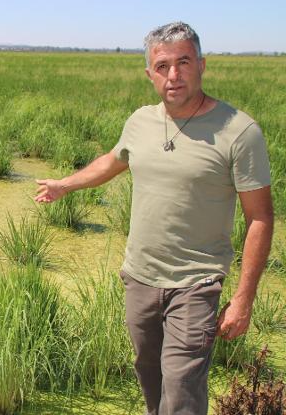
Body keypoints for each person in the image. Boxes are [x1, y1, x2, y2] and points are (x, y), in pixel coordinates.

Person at [35, 22, 273, 415]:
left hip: (195, 284)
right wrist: (65, 185)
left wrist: (243, 300)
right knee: (151, 382)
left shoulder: (240, 132)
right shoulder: (141, 121)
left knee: (181, 393)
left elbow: (261, 218)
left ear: (202, 64)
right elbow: (113, 161)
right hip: (140, 280)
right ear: (150, 74)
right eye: (163, 66)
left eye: (183, 62)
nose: (174, 74)